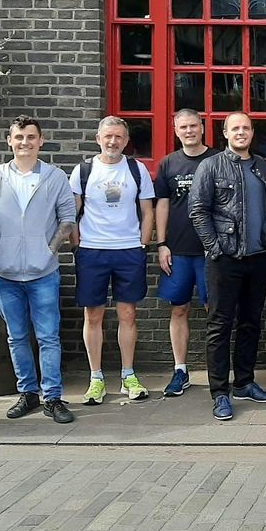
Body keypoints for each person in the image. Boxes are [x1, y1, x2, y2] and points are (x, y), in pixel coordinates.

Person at [0, 115, 77, 424]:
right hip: (4, 274)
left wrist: (49, 251)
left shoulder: (55, 177)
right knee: (16, 336)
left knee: (48, 337)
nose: (25, 142)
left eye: (31, 137)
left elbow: (68, 219)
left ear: (40, 141)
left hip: (43, 272)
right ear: (10, 141)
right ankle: (28, 393)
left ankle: (53, 397)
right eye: (19, 137)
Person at [188, 112, 266, 421]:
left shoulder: (262, 166)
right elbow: (198, 210)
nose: (241, 132)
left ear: (252, 133)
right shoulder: (211, 166)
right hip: (225, 259)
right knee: (220, 326)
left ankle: (244, 382)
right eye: (235, 128)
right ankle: (220, 392)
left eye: (246, 128)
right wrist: (215, 247)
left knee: (250, 322)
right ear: (225, 133)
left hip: (258, 257)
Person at [70, 116, 156, 405]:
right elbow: (72, 213)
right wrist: (76, 246)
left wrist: (143, 245)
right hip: (92, 250)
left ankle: (128, 375)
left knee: (128, 314)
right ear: (98, 138)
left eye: (119, 136)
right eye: (108, 136)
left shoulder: (136, 169)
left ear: (126, 140)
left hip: (128, 250)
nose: (113, 141)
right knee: (93, 315)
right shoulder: (83, 170)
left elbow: (148, 210)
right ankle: (96, 378)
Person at [154, 108, 216, 398]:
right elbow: (162, 204)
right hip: (177, 251)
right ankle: (180, 370)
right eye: (183, 127)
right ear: (176, 131)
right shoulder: (168, 163)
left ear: (202, 127)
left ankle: (217, 370)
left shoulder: (217, 159)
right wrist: (161, 243)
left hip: (210, 251)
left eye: (193, 126)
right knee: (179, 309)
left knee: (214, 310)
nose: (189, 131)